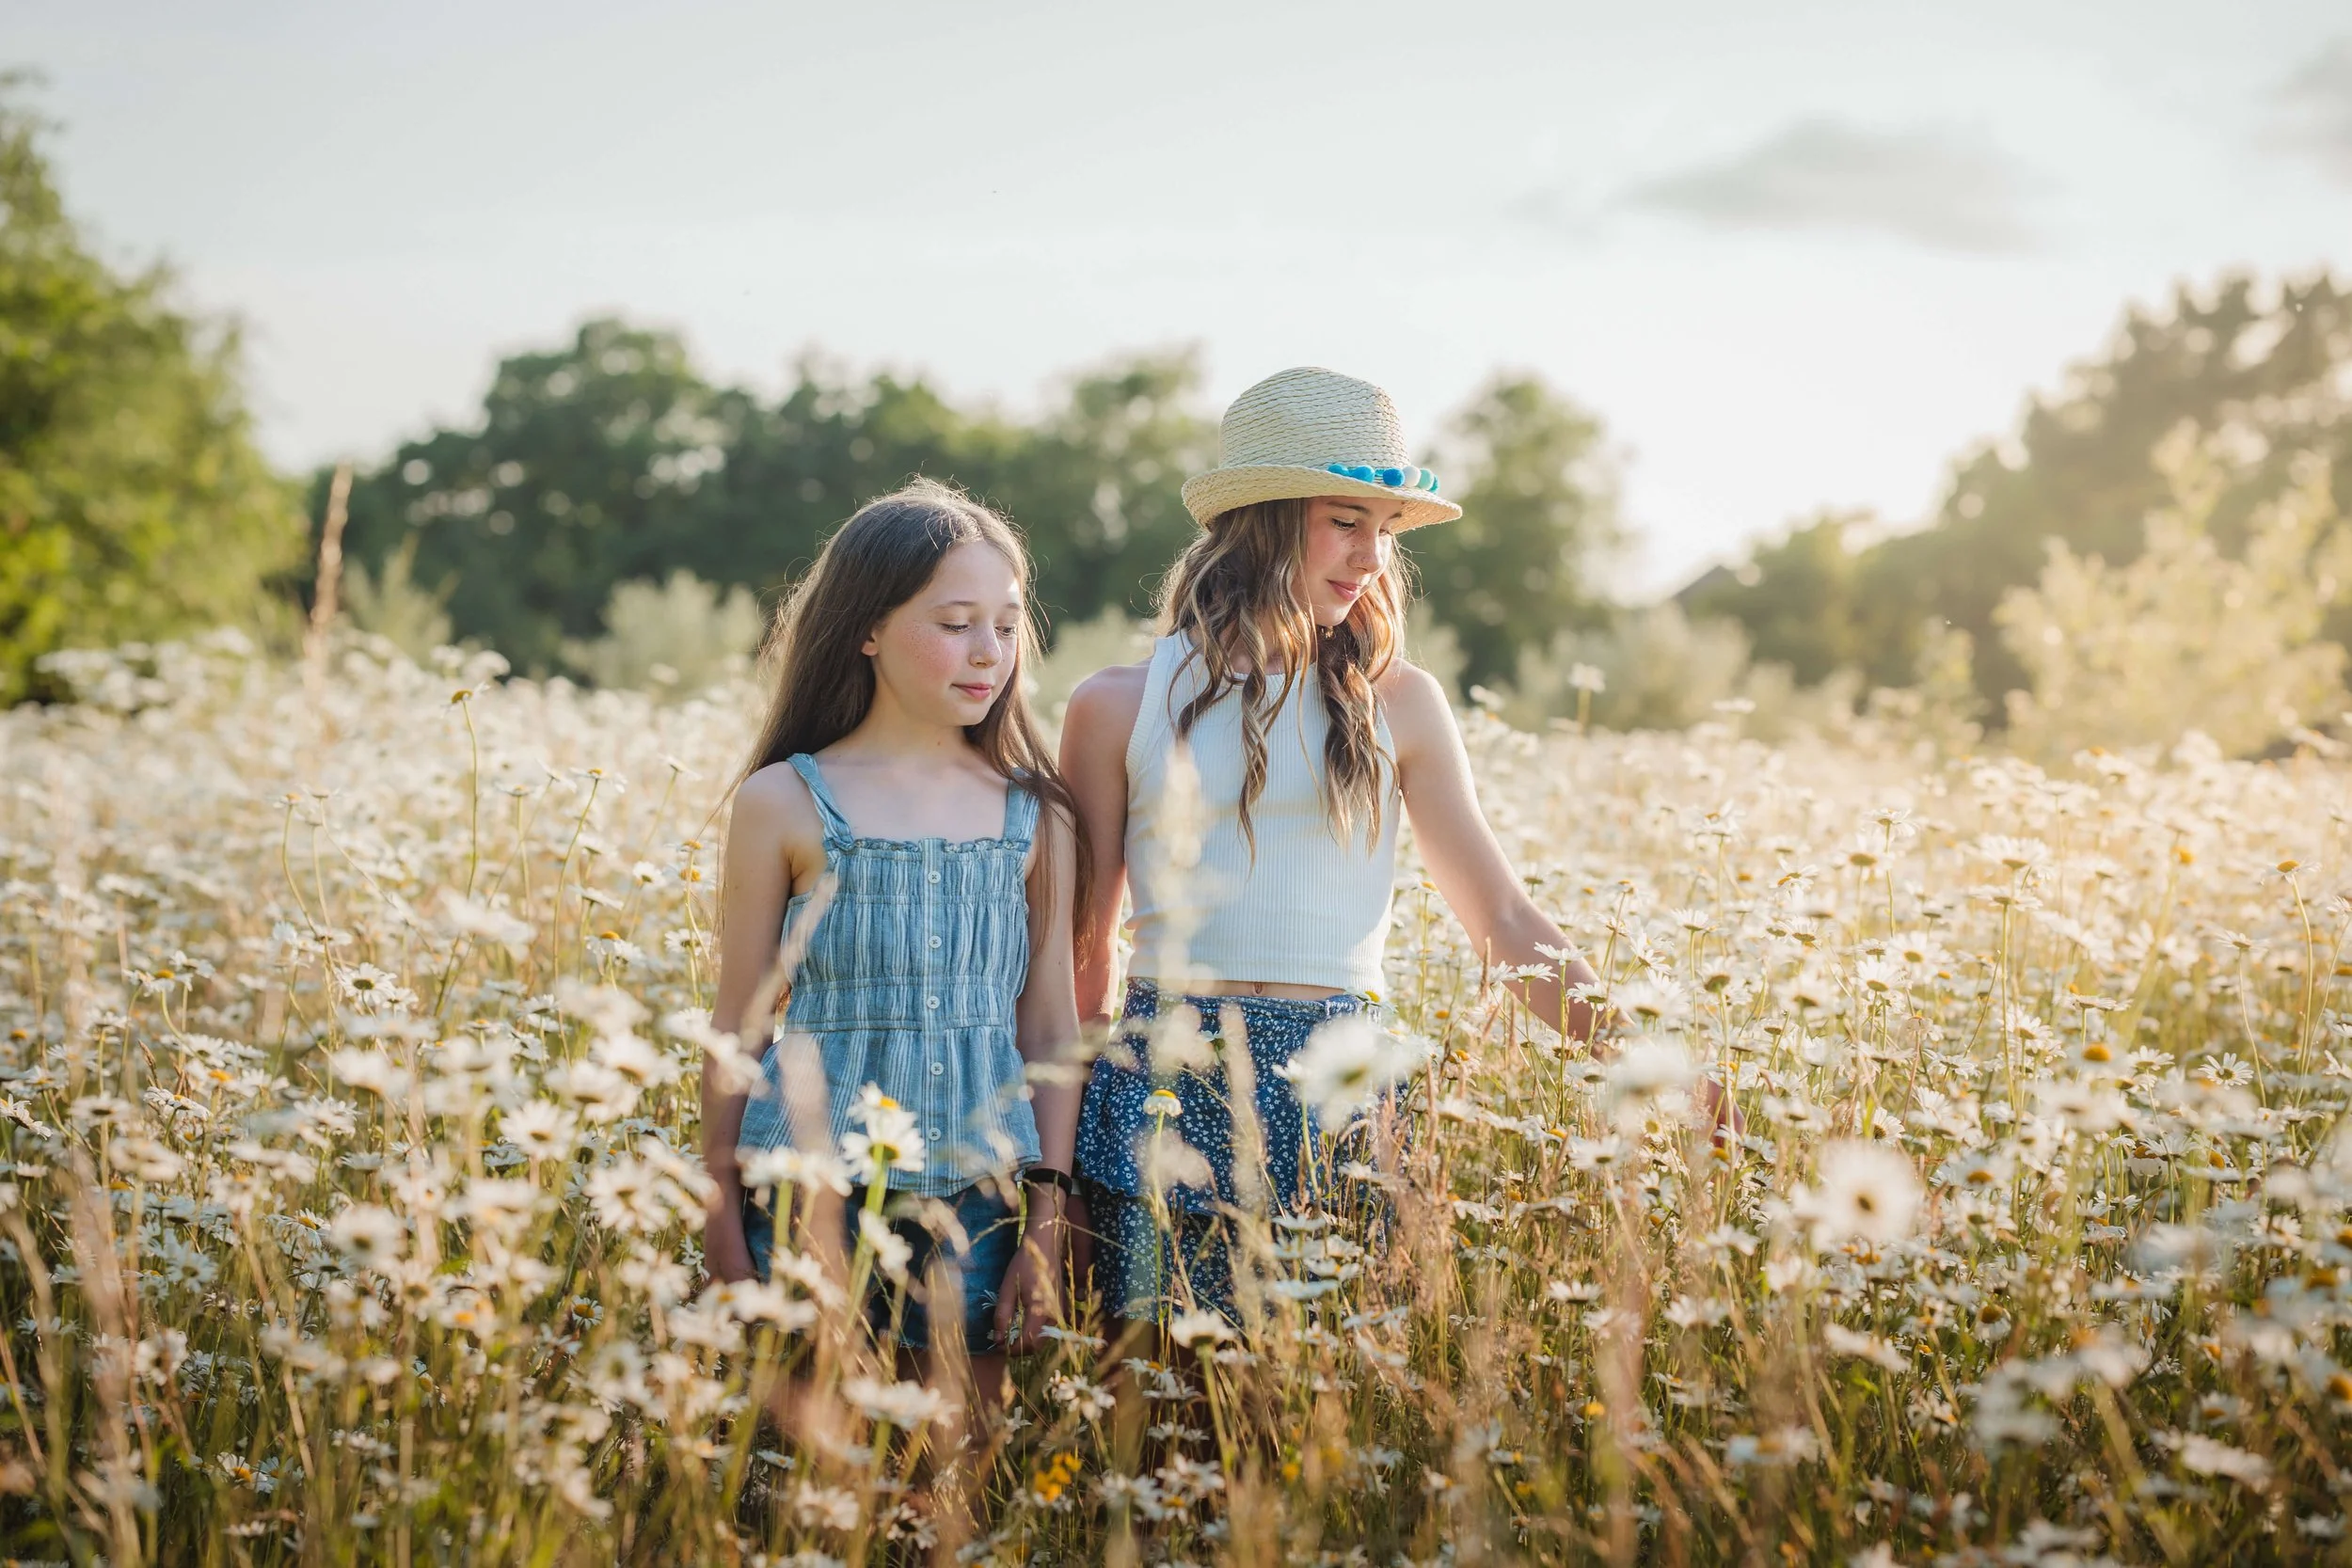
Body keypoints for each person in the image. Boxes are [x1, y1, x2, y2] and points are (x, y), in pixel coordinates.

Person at [1062, 366, 1612, 1335]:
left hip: (1347, 1095)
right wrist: (1047, 1173)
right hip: (1164, 1082)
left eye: (1384, 531)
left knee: (1317, 1432)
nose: (1370, 557)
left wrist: (1632, 1052)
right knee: (1161, 1431)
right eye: (1344, 520)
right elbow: (1082, 956)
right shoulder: (1115, 703)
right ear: (1266, 519)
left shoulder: (1400, 701)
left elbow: (1502, 921)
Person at [701, 479, 1085, 1414]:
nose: (987, 650)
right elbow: (737, 1023)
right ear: (865, 628)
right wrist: (715, 1208)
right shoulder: (784, 800)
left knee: (955, 1462)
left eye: (1003, 622)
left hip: (980, 1189)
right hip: (803, 1188)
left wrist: (1046, 1216)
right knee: (810, 1469)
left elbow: (1048, 1020)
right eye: (955, 622)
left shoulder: (1034, 811)